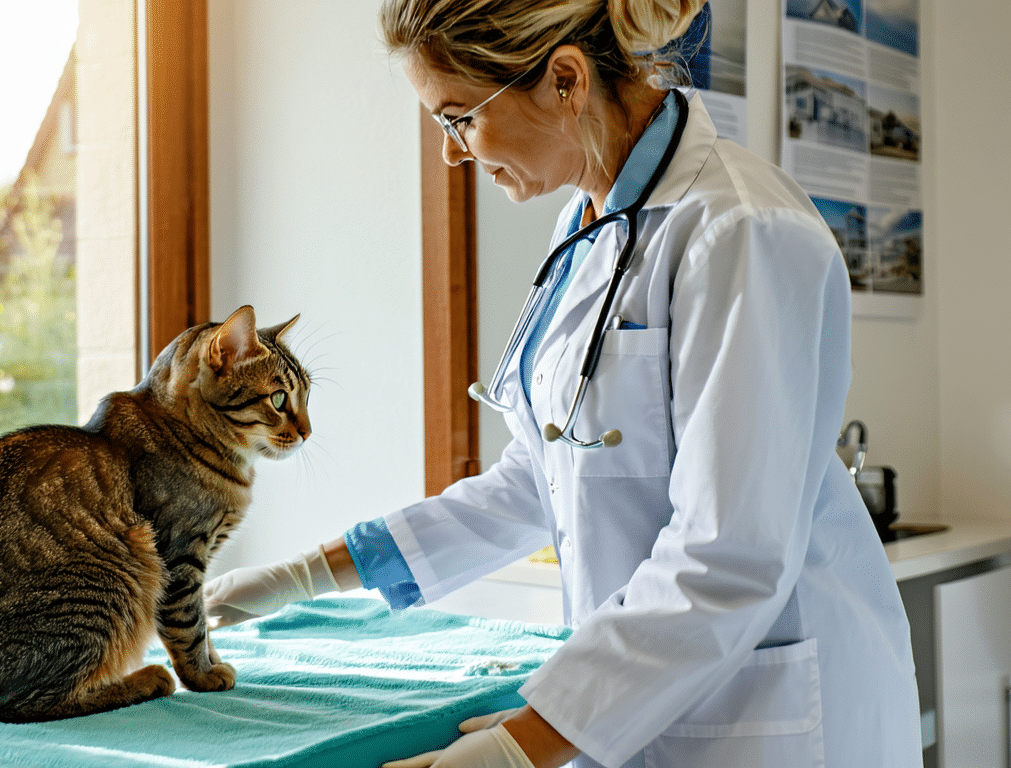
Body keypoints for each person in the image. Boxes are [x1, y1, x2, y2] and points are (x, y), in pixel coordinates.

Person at [204, 0, 924, 765]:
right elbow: (539, 477)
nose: (451, 153)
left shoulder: (740, 232)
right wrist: (311, 574)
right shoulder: (589, 228)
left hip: (769, 718)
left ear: (565, 81)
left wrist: (526, 747)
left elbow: (728, 554)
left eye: (458, 119)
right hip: (658, 704)